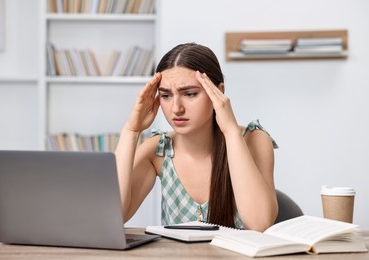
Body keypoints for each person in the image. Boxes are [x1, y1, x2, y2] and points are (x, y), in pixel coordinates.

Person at [115, 43, 279, 231]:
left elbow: (260, 224)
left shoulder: (254, 140)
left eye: (190, 94)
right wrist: (131, 131)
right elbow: (114, 216)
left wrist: (231, 131)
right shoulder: (158, 149)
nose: (176, 108)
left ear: (219, 91)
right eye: (166, 96)